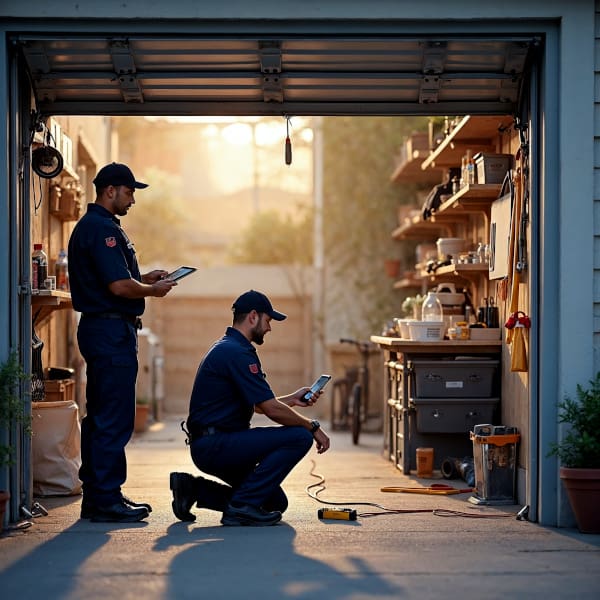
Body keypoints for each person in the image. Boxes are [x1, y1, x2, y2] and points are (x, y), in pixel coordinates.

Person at [68, 162, 177, 523]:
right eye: (129, 192)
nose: (133, 200)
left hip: (107, 329)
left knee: (104, 415)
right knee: (112, 417)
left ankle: (105, 494)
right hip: (109, 331)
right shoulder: (101, 230)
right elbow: (118, 287)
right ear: (110, 190)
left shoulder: (102, 228)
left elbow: (117, 279)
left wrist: (145, 278)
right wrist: (152, 290)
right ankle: (103, 500)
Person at [170, 289, 331, 526]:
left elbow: (258, 406)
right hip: (216, 445)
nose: (270, 328)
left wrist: (292, 400)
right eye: (268, 320)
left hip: (218, 443)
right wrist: (312, 426)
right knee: (299, 436)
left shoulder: (229, 347)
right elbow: (271, 410)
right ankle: (241, 507)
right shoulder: (236, 353)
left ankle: (194, 489)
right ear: (253, 316)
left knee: (274, 502)